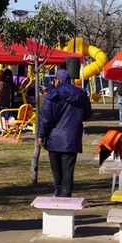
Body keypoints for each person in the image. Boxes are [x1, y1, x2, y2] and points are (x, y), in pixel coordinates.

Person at [38, 70, 92, 198]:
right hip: (72, 137)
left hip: (54, 137)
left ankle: (57, 191)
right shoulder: (81, 94)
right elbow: (88, 114)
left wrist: (41, 135)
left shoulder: (52, 95)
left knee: (56, 169)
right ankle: (66, 193)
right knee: (68, 169)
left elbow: (46, 118)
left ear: (58, 80)